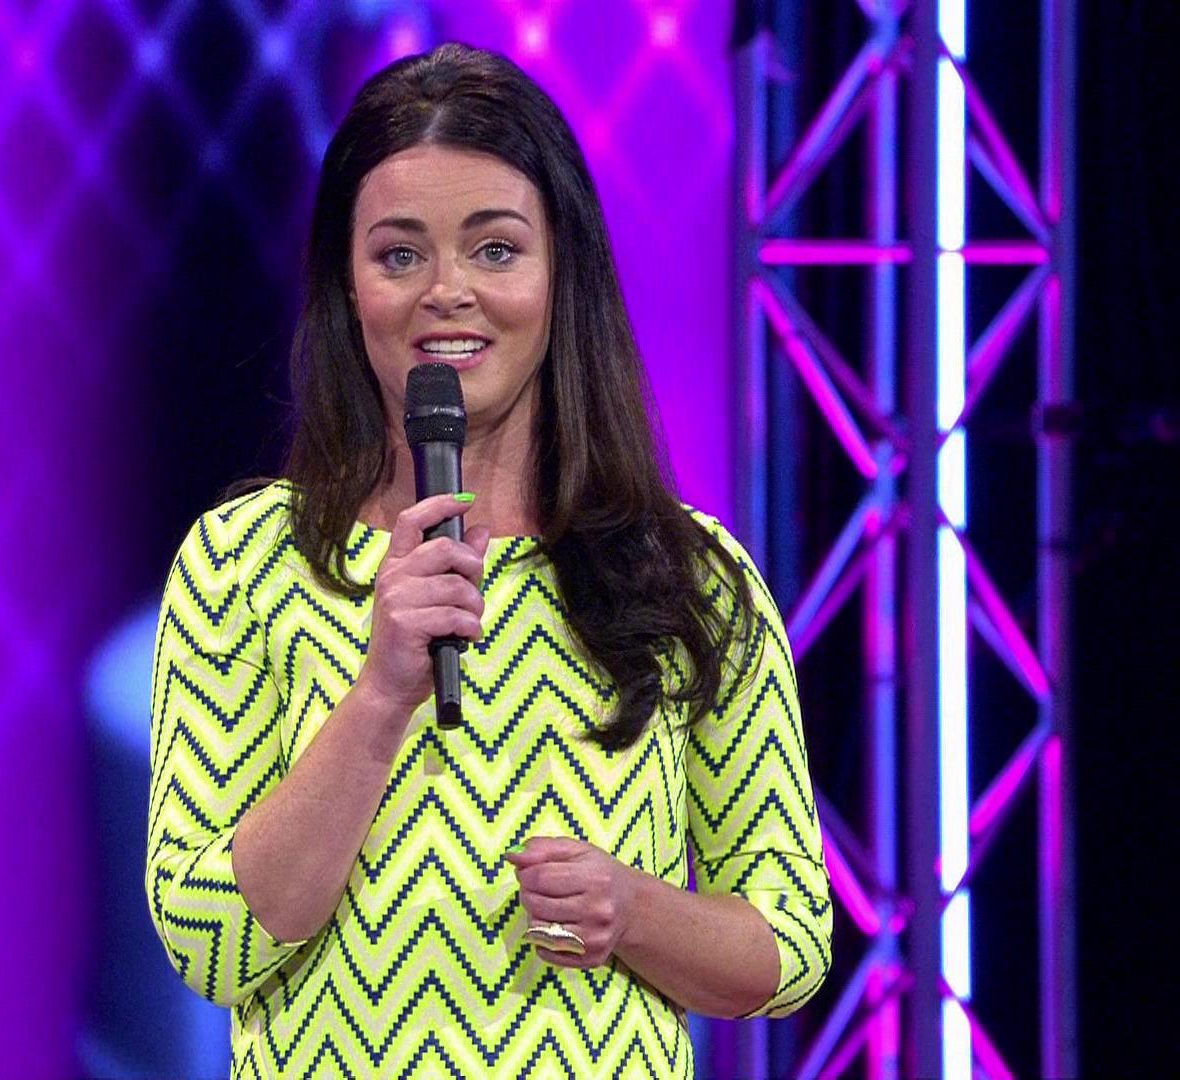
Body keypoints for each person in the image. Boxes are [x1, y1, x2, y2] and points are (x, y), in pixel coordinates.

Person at [145, 42, 830, 1078]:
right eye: (399, 256)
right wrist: (380, 695)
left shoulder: (688, 575)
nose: (448, 293)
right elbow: (210, 943)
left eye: (497, 249)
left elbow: (791, 947)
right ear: (348, 288)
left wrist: (635, 908)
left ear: (562, 275)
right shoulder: (243, 562)